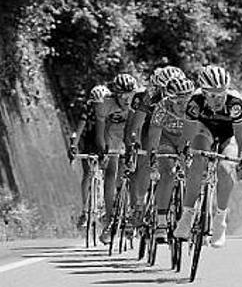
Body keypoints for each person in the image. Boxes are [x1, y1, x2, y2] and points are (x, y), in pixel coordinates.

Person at [173, 65, 242, 248]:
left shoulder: (235, 103)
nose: (218, 99)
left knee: (225, 169)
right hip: (204, 130)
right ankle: (187, 216)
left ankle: (220, 221)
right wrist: (185, 154)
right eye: (213, 95)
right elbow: (187, 136)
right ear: (204, 93)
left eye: (221, 94)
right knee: (198, 161)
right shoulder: (195, 102)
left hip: (228, 134)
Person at [126, 66, 186, 229]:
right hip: (151, 130)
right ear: (159, 88)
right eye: (166, 89)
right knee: (146, 159)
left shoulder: (184, 97)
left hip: (175, 130)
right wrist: (135, 144)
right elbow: (137, 126)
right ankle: (139, 205)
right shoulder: (149, 97)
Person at [143, 76, 197, 241]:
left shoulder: (197, 106)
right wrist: (153, 154)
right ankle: (161, 222)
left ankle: (191, 219)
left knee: (194, 175)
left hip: (188, 139)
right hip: (166, 140)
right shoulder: (162, 107)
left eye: (185, 102)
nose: (183, 107)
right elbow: (154, 133)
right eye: (178, 103)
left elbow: (201, 132)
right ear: (170, 100)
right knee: (168, 172)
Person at [94, 73, 140, 244]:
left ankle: (134, 215)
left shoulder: (138, 102)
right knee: (111, 171)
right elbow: (100, 132)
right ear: (115, 94)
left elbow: (134, 130)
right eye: (122, 96)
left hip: (131, 134)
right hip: (112, 134)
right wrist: (103, 151)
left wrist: (131, 150)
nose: (127, 100)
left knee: (135, 170)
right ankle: (109, 220)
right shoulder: (104, 104)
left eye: (130, 95)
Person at [67, 84, 110, 226]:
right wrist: (73, 145)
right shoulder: (87, 109)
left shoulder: (112, 110)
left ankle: (104, 205)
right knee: (87, 174)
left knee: (108, 173)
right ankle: (85, 211)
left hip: (107, 142)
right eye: (95, 104)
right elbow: (79, 128)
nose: (98, 107)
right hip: (89, 143)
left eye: (101, 104)